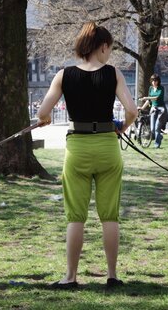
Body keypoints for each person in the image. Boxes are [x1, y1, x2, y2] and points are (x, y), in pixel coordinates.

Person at [36, 22, 137, 289]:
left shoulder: (63, 75)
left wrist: (45, 119)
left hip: (78, 148)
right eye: (109, 49)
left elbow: (43, 111)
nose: (109, 54)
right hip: (107, 146)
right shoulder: (113, 73)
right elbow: (132, 110)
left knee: (76, 216)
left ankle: (70, 277)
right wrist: (122, 128)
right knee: (110, 216)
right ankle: (112, 276)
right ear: (102, 46)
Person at [139, 74, 165, 148]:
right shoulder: (150, 88)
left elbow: (156, 98)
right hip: (153, 109)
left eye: (155, 80)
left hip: (161, 110)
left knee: (157, 128)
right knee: (152, 129)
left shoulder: (161, 88)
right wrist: (142, 108)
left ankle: (157, 145)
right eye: (153, 80)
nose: (154, 82)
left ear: (158, 81)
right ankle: (159, 137)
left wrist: (145, 97)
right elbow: (149, 100)